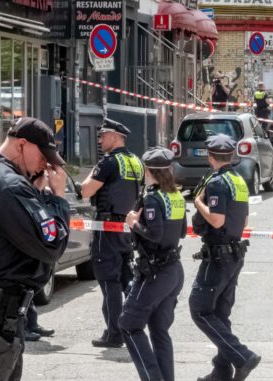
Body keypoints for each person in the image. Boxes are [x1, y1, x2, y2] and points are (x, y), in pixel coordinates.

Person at [0, 117, 70, 381]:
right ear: (22, 144)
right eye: (44, 155)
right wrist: (57, 199)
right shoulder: (7, 184)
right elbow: (51, 244)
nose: (47, 164)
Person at [190, 134, 260, 381]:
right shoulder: (239, 180)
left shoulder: (217, 182)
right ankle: (221, 371)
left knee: (199, 310)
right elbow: (244, 220)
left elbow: (217, 219)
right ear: (231, 155)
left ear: (210, 156)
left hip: (218, 255)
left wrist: (198, 203)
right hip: (234, 253)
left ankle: (243, 356)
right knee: (220, 314)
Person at [117, 147, 186, 381]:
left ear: (148, 170)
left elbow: (154, 234)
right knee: (159, 331)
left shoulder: (152, 198)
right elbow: (184, 231)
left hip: (155, 272)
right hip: (173, 271)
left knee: (128, 324)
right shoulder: (176, 195)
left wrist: (133, 223)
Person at [81, 118, 144, 348]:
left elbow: (86, 190)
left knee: (109, 282)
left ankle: (114, 333)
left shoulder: (109, 162)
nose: (99, 140)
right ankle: (136, 320)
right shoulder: (136, 160)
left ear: (115, 136)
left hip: (107, 229)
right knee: (126, 279)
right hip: (126, 229)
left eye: (102, 135)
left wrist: (91, 174)